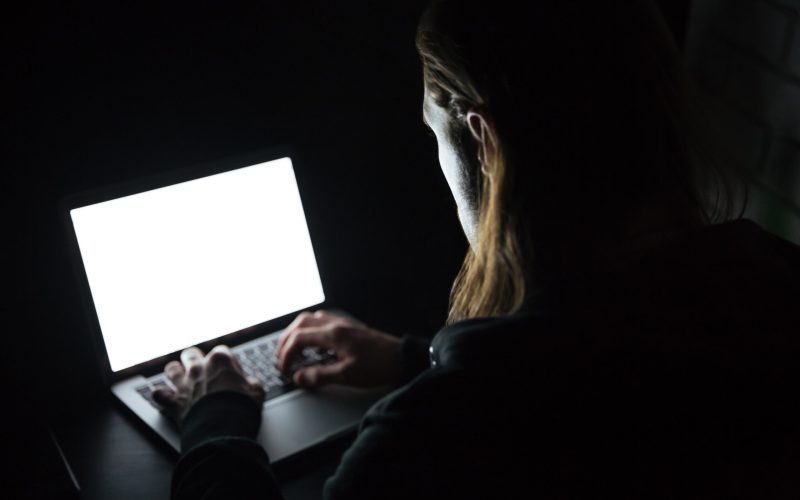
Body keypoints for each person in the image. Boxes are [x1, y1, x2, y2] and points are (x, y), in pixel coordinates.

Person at [153, 0, 800, 498]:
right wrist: (416, 358)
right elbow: (598, 361)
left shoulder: (435, 440)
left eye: (433, 134)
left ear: (484, 145)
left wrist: (216, 422)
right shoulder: (776, 288)